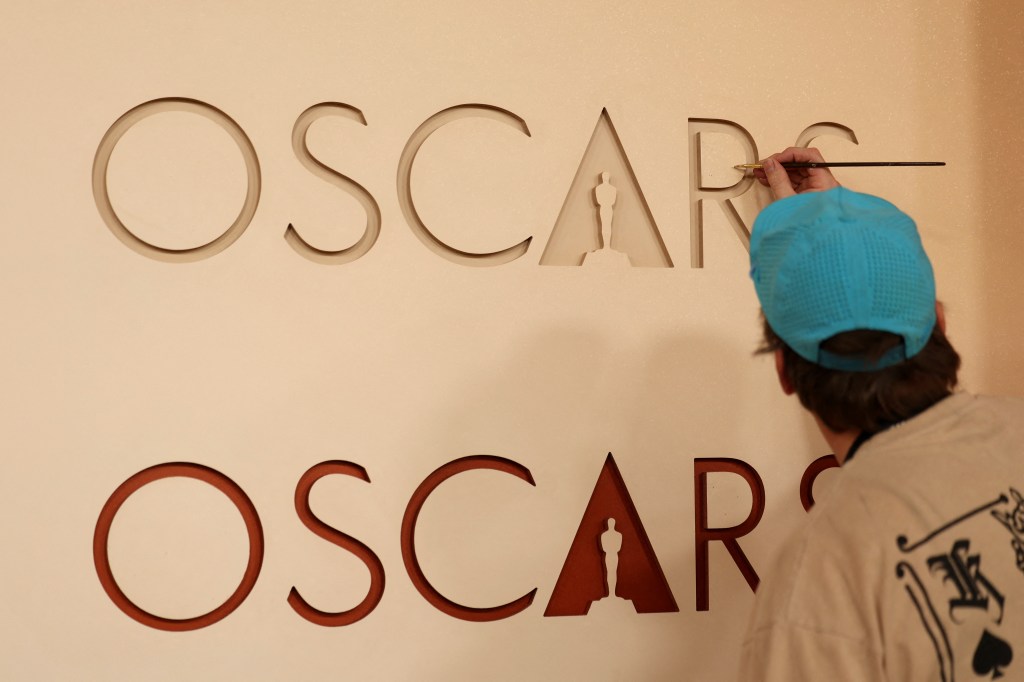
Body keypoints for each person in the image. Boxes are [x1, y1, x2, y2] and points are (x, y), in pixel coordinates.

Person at [737, 148, 1024, 680]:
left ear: (783, 370)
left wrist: (825, 251)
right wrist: (850, 247)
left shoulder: (817, 581)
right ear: (939, 324)